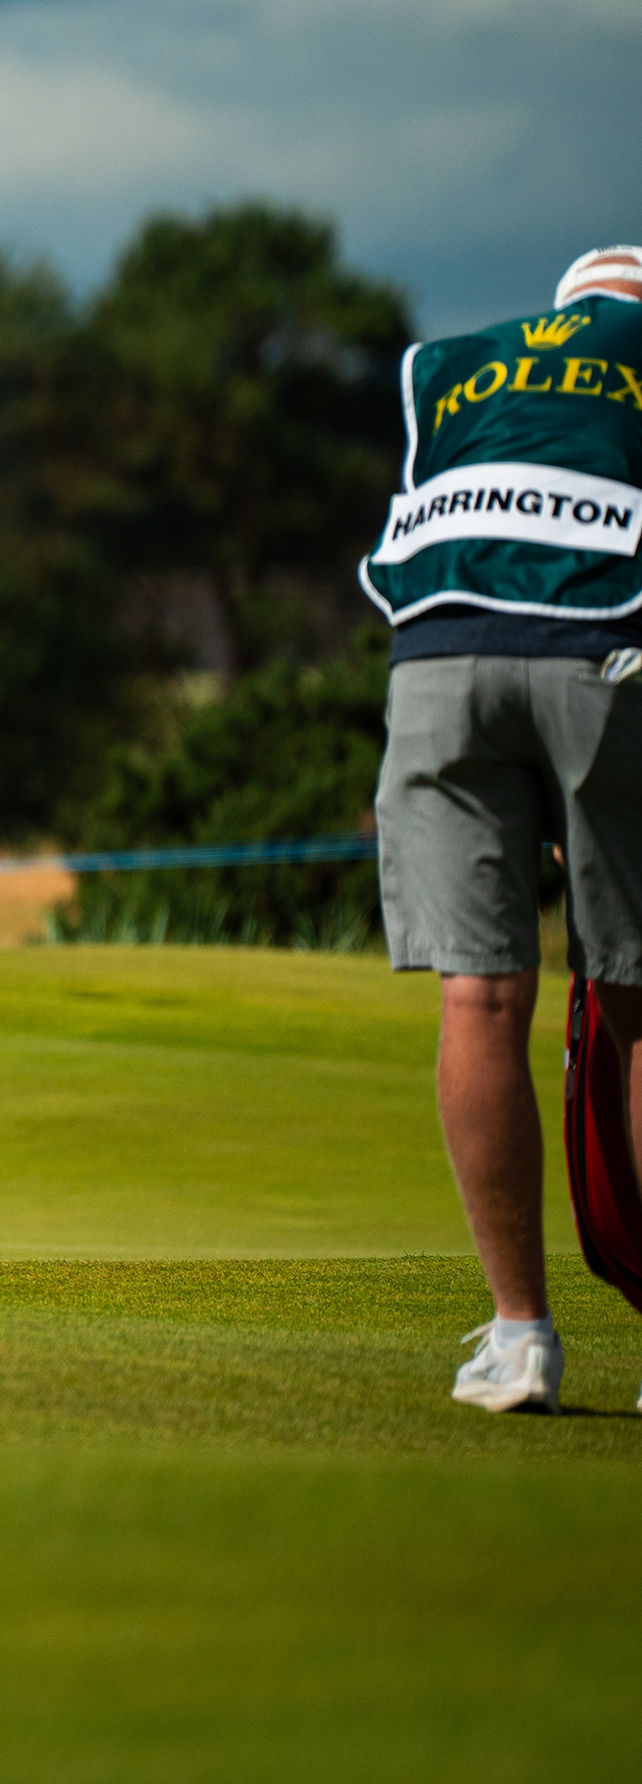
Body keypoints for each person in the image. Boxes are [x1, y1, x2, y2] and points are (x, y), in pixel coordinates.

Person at [364, 243, 642, 1411]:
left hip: (438, 651)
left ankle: (521, 1338)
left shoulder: (459, 364)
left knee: (478, 996)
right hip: (605, 638)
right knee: (638, 994)